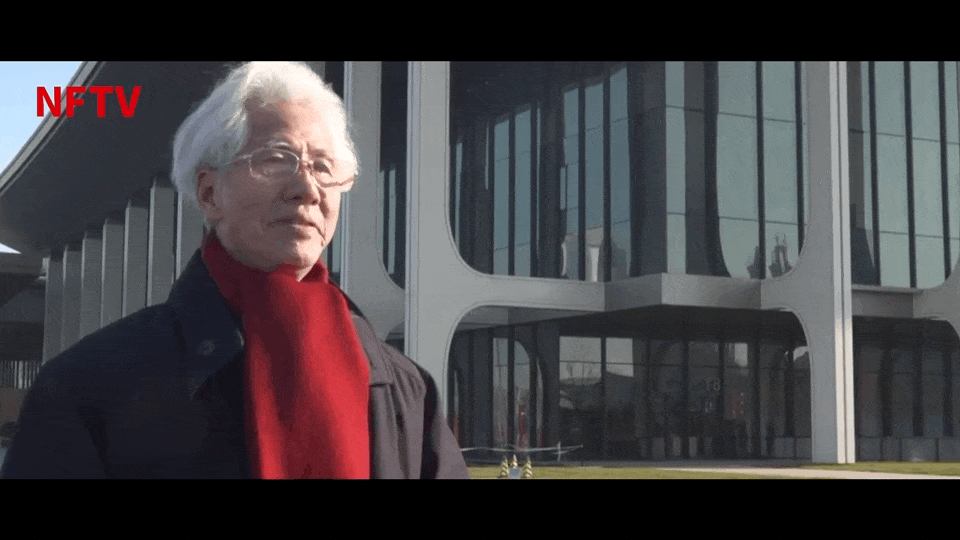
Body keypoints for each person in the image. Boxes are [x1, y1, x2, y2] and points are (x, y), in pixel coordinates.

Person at [0, 62, 469, 479]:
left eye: (324, 167)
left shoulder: (406, 389)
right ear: (209, 193)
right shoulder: (87, 389)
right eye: (277, 159)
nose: (308, 189)